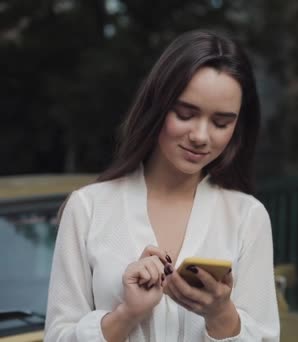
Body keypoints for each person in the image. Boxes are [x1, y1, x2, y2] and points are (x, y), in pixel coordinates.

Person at [44, 30, 280, 341]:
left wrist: (221, 314)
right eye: (185, 114)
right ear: (157, 105)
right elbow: (57, 336)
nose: (200, 135)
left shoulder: (247, 217)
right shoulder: (88, 209)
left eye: (221, 123)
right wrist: (126, 315)